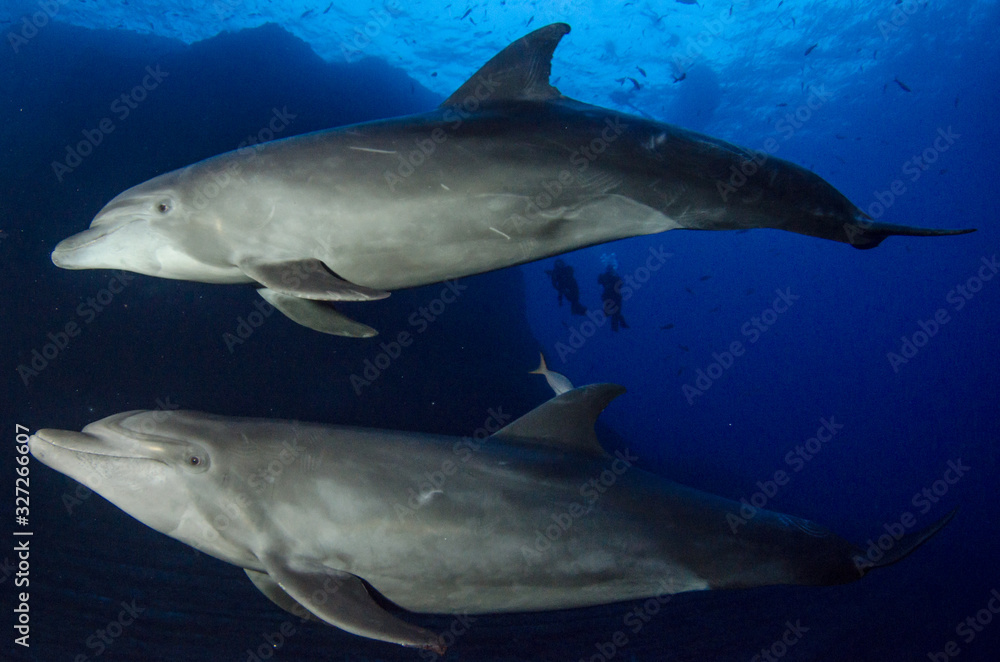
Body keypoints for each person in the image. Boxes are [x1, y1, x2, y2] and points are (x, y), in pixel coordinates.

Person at [598, 264, 629, 332]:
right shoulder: (607, 277)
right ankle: (618, 324)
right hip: (611, 297)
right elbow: (600, 281)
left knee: (614, 313)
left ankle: (616, 328)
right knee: (609, 313)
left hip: (614, 297)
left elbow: (620, 284)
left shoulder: (613, 277)